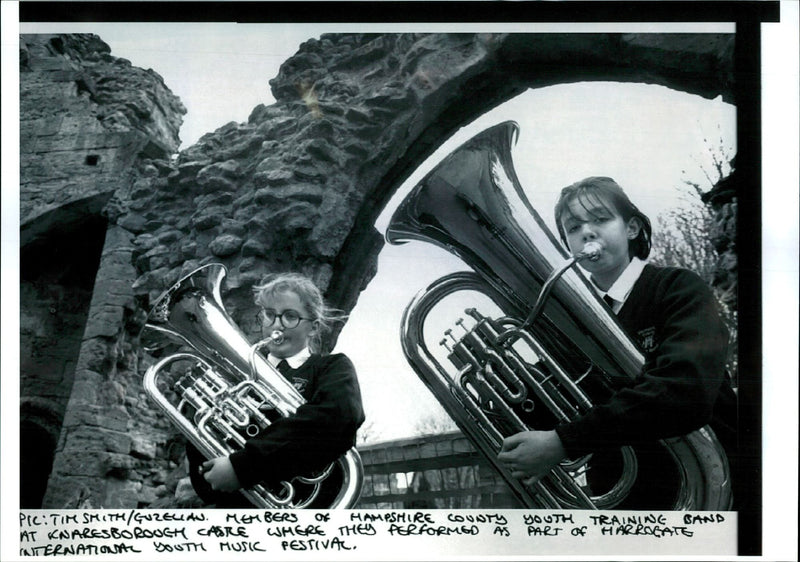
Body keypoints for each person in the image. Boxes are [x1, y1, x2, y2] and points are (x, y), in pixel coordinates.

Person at [497, 176, 738, 508]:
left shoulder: (678, 288)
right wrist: (503, 377)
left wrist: (565, 442)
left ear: (632, 228)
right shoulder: (569, 324)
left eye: (600, 218)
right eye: (573, 227)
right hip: (623, 502)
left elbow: (686, 392)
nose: (587, 232)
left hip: (715, 495)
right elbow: (544, 414)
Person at [186, 272, 365, 507]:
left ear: (313, 327)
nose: (277, 324)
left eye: (290, 316)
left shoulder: (331, 368)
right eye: (269, 315)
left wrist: (243, 466)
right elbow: (208, 457)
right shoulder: (236, 377)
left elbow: (337, 418)